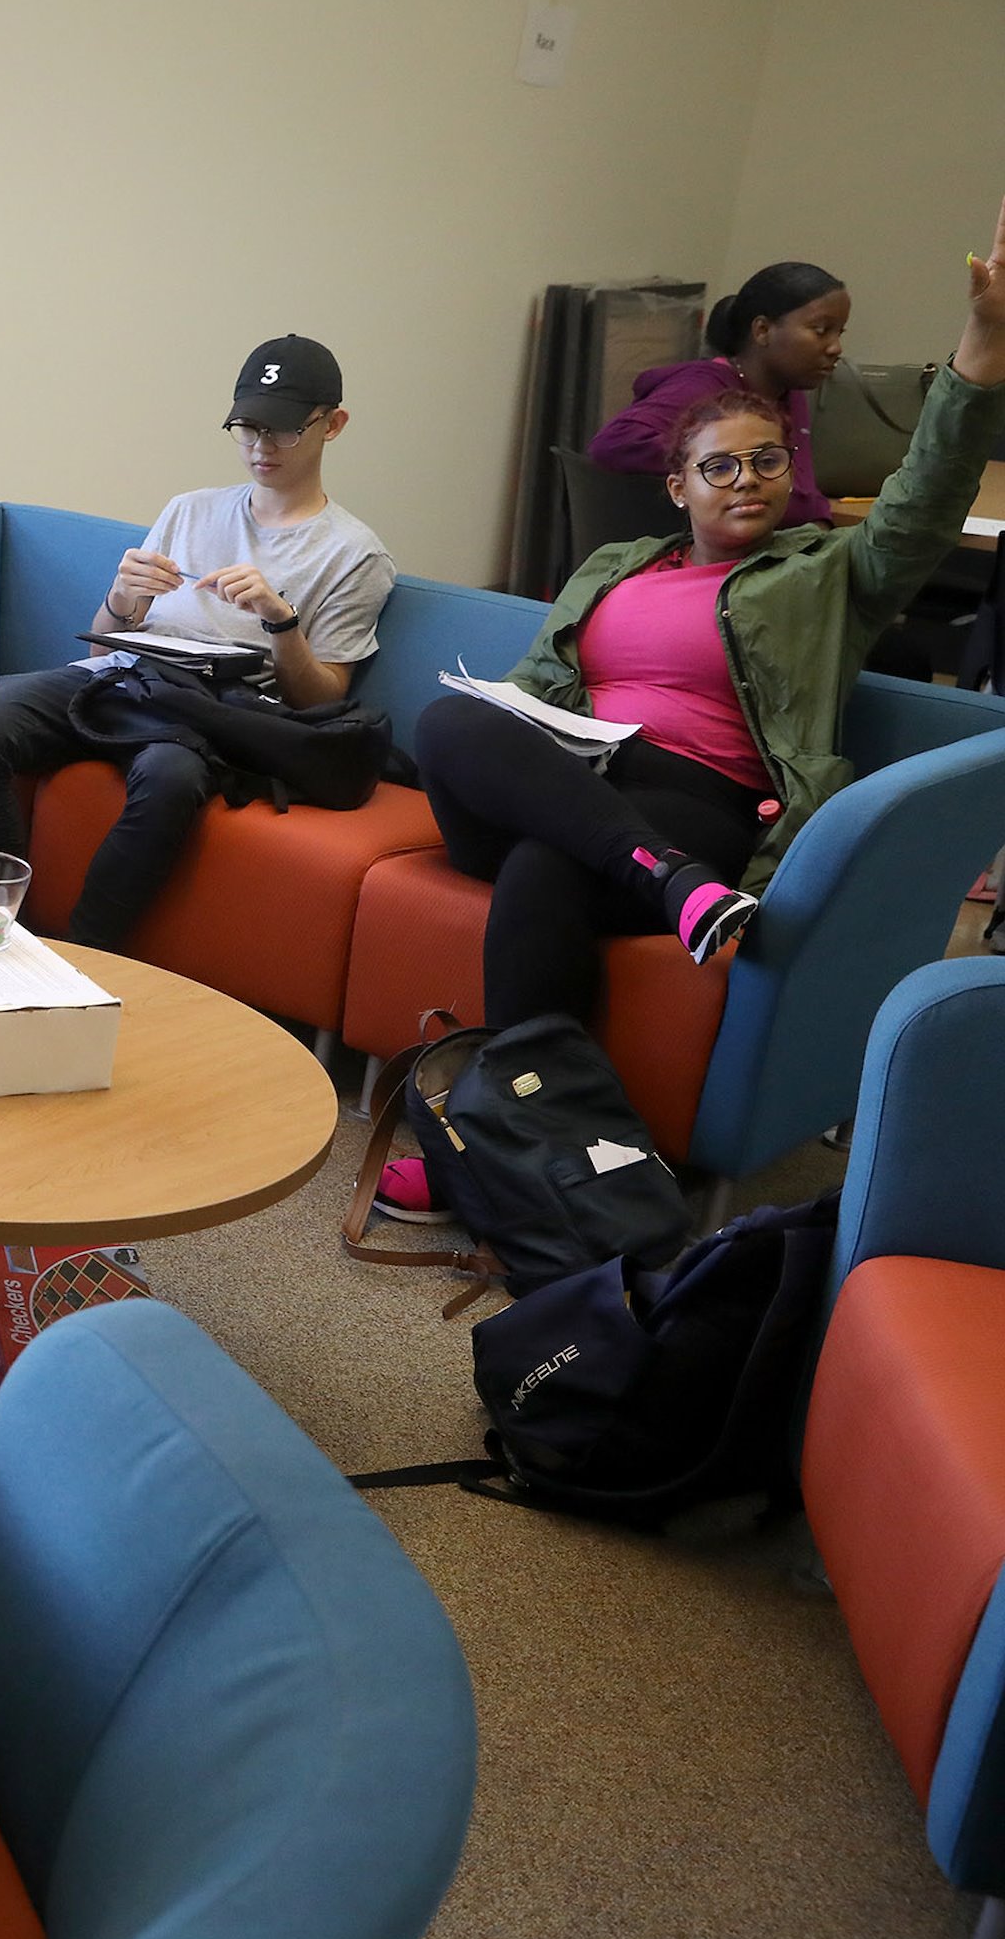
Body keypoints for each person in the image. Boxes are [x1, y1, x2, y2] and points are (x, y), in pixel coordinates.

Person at [380, 202, 1005, 1222]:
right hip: (585, 788)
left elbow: (925, 499)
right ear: (679, 486)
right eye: (721, 465)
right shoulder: (612, 568)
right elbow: (534, 691)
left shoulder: (824, 575)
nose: (748, 479)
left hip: (700, 796)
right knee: (453, 723)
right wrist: (519, 729)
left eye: (767, 460)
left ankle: (503, 1155)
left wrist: (981, 349)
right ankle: (667, 884)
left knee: (546, 873)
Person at [0, 335, 396, 950]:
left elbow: (320, 701)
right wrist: (125, 599)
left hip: (213, 711)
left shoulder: (353, 553)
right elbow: (105, 648)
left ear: (333, 424)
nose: (262, 447)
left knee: (171, 780)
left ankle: (80, 956)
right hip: (124, 677)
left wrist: (278, 618)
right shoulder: (190, 510)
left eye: (284, 431)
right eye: (247, 428)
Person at [590, 262, 849, 528]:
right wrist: (720, 461)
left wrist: (821, 525)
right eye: (820, 331)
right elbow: (612, 443)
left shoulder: (788, 392)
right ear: (762, 331)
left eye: (839, 333)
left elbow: (801, 492)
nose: (835, 348)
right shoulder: (701, 387)